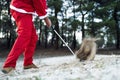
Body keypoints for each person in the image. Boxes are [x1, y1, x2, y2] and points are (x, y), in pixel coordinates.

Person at [2, 0, 51, 74]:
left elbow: (41, 2)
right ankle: (9, 64)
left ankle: (28, 63)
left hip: (24, 8)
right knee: (24, 35)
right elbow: (38, 1)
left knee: (33, 37)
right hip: (20, 7)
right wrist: (45, 18)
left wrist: (44, 14)